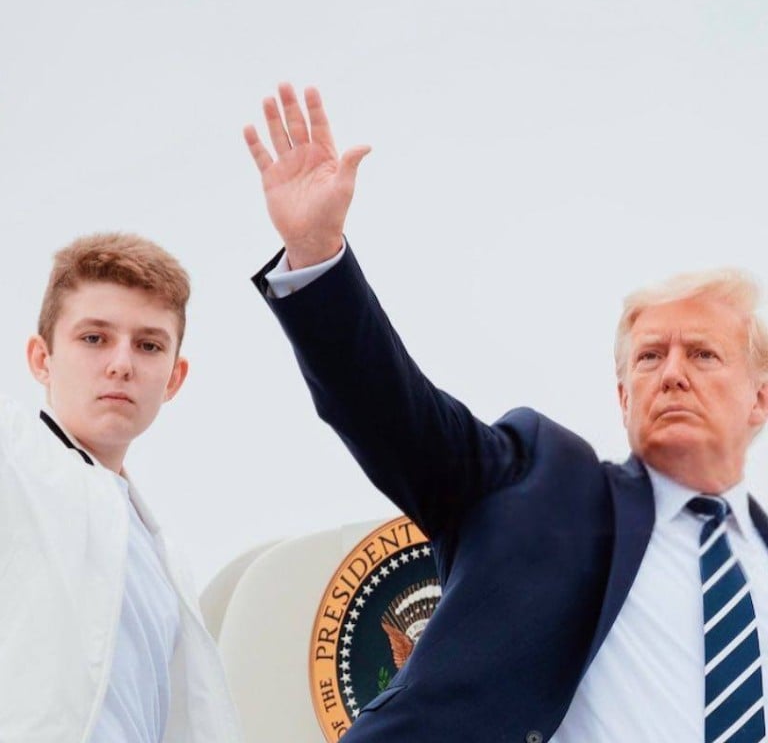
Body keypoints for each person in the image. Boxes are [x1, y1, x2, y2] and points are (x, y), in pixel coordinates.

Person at [245, 83, 768, 743]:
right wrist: (317, 253)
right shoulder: (543, 481)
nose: (671, 374)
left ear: (760, 398)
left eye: (702, 355)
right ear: (622, 395)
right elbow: (394, 416)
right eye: (649, 357)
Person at [0, 233, 243, 743]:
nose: (121, 364)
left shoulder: (162, 555)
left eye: (148, 345)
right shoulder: (18, 463)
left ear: (173, 378)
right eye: (94, 338)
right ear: (41, 359)